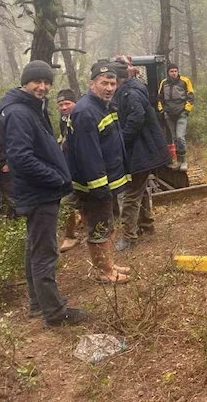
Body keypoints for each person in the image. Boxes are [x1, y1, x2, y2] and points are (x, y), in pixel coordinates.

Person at [0, 61, 86, 326]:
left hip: (38, 191)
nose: (43, 87)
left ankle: (39, 303)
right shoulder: (18, 113)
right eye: (37, 81)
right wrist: (56, 178)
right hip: (39, 192)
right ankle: (54, 313)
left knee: (34, 248)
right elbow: (21, 158)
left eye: (47, 82)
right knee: (44, 252)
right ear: (25, 82)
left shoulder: (30, 108)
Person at [66, 62, 131, 283]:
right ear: (91, 84)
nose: (109, 88)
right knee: (100, 228)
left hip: (108, 182)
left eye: (113, 83)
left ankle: (108, 264)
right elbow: (88, 155)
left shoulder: (103, 106)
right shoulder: (86, 112)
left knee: (109, 224)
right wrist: (99, 187)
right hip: (96, 186)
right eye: (104, 83)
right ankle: (103, 272)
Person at [113, 62, 171, 250]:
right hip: (144, 151)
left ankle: (129, 237)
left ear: (118, 79)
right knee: (140, 189)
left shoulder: (130, 94)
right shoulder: (131, 89)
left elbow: (137, 118)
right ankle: (146, 224)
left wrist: (121, 140)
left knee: (130, 194)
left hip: (141, 152)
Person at [55, 89, 82, 253]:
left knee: (68, 203)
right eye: (60, 104)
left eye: (67, 103)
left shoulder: (82, 118)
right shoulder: (64, 120)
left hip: (84, 169)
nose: (64, 107)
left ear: (75, 103)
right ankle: (71, 235)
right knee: (66, 203)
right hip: (69, 169)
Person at [157, 63, 195, 171]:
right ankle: (178, 161)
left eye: (175, 71)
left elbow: (191, 96)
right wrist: (162, 110)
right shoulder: (164, 83)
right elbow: (159, 97)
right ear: (168, 73)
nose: (173, 73)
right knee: (175, 139)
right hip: (169, 114)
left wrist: (186, 110)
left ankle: (184, 161)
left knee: (180, 137)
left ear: (177, 72)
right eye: (171, 71)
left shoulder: (184, 81)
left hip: (181, 113)